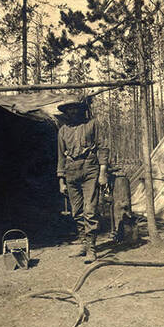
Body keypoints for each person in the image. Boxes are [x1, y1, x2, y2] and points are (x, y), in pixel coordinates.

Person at [57, 96, 108, 263]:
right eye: (69, 109)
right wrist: (61, 180)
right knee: (77, 212)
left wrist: (103, 172)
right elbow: (60, 157)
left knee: (90, 210)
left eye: (75, 108)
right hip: (71, 171)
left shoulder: (92, 124)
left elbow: (102, 147)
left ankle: (92, 249)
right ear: (66, 112)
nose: (72, 111)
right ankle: (84, 243)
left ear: (80, 109)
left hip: (90, 169)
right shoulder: (63, 130)